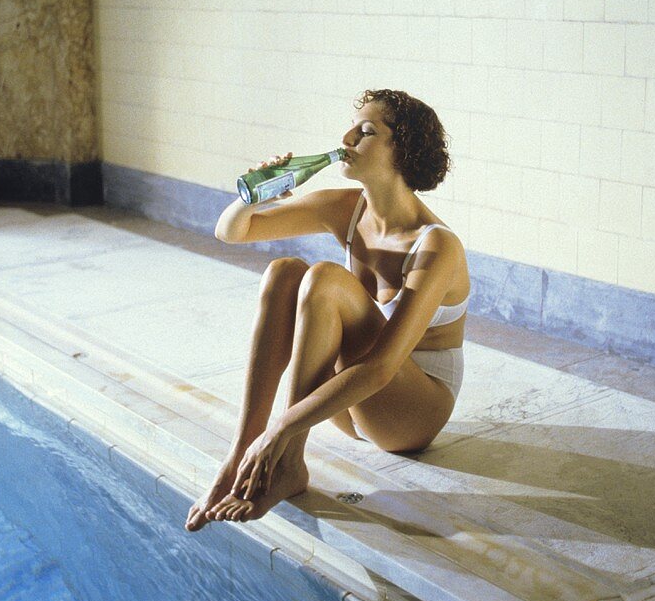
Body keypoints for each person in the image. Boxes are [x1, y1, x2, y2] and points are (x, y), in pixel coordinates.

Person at [185, 88, 470, 532]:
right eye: (353, 125)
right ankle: (238, 451)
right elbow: (232, 232)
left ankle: (288, 462)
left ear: (403, 149)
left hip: (411, 414)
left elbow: (379, 368)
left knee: (324, 279)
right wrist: (254, 194)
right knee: (284, 272)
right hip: (350, 402)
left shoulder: (436, 245)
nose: (348, 137)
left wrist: (279, 431)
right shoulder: (346, 208)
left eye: (367, 130)